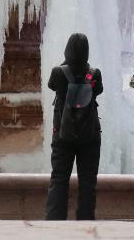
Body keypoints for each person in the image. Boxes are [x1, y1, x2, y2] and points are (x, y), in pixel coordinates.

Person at [45, 33, 103, 220]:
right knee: (88, 183)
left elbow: (51, 85)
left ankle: (55, 221)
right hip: (90, 136)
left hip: (63, 135)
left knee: (59, 179)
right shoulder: (94, 74)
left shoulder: (58, 73)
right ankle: (85, 221)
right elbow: (99, 90)